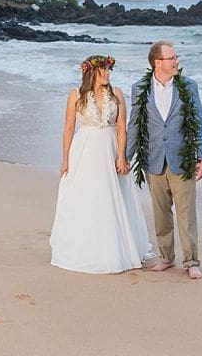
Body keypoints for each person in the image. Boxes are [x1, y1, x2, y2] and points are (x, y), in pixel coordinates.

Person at [50, 54, 151, 273]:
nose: (107, 74)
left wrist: (122, 156)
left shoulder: (117, 94)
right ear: (91, 72)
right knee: (87, 196)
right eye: (103, 70)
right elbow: (68, 128)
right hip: (85, 151)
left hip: (110, 149)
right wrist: (65, 159)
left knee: (112, 196)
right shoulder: (75, 95)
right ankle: (85, 248)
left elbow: (122, 127)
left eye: (108, 70)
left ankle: (116, 248)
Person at [126, 40, 202, 280]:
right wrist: (125, 157)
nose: (176, 61)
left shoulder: (188, 86)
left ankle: (191, 261)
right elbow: (135, 125)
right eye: (172, 58)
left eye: (176, 57)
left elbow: (199, 122)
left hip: (182, 159)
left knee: (186, 214)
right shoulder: (140, 88)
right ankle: (165, 257)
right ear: (157, 62)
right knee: (161, 213)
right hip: (153, 159)